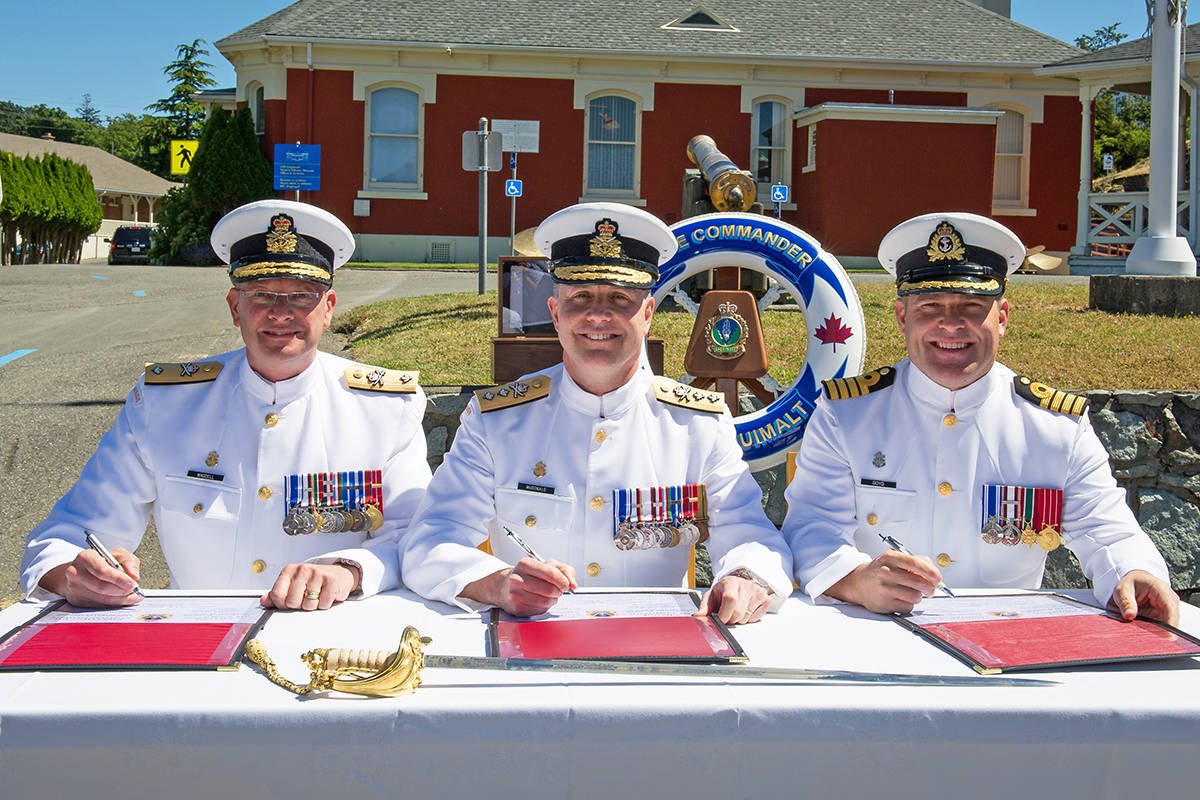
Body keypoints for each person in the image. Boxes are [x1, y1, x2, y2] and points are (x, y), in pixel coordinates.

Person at [20, 200, 431, 611]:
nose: (281, 312)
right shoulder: (166, 405)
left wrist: (349, 569)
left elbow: (417, 535)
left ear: (328, 309)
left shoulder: (384, 408)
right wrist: (75, 575)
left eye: (302, 296)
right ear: (236, 308)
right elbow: (73, 532)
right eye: (262, 294)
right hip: (199, 635)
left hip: (331, 636)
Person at [400, 202, 792, 624]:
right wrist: (495, 582)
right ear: (554, 313)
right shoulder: (496, 421)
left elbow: (751, 533)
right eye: (580, 297)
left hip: (656, 644)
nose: (598, 316)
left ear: (647, 314)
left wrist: (745, 576)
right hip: (530, 643)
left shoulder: (697, 425)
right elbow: (432, 537)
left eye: (620, 298)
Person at [783, 212, 1179, 625]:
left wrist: (1134, 572)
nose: (951, 324)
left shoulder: (1055, 428)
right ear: (902, 317)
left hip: (1007, 638)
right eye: (930, 305)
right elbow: (811, 528)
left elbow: (1108, 530)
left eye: (972, 306)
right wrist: (857, 580)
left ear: (1002, 317)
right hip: (878, 632)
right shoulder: (848, 415)